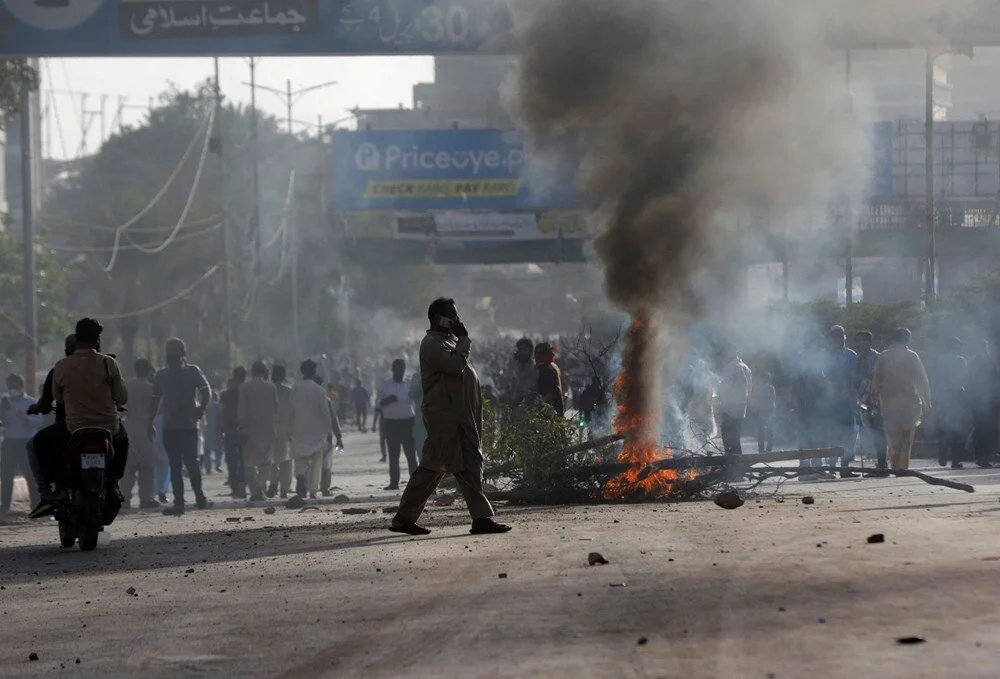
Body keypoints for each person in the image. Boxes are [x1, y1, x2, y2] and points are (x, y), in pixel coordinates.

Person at [390, 298, 511, 536]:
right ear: (439, 319)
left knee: (433, 466)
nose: (457, 320)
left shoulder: (448, 341)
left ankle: (404, 518)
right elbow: (456, 366)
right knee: (467, 463)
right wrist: (464, 340)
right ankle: (481, 518)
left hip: (457, 416)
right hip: (446, 418)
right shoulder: (432, 344)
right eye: (452, 316)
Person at [50, 319, 129, 510]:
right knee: (123, 441)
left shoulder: (62, 366)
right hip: (108, 427)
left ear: (77, 339)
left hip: (74, 428)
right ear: (98, 340)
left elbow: (57, 397)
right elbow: (122, 397)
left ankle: (59, 487)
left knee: (45, 444)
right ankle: (113, 483)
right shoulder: (108, 363)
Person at [151, 338, 212, 516]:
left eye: (175, 350)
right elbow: (154, 401)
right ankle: (179, 502)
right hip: (171, 427)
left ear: (183, 353)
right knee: (176, 466)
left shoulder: (192, 371)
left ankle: (199, 497)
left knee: (191, 464)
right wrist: (150, 422)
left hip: (188, 426)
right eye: (170, 350)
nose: (172, 353)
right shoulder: (161, 375)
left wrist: (201, 407)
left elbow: (206, 390)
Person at [872, 327, 932, 470]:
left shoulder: (883, 356)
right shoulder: (912, 356)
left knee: (892, 436)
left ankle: (895, 466)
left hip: (889, 402)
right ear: (907, 339)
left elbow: (876, 378)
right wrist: (927, 400)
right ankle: (903, 467)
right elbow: (923, 380)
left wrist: (872, 398)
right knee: (907, 435)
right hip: (909, 402)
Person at [290, 360, 334, 499]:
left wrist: (289, 428)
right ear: (314, 372)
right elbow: (325, 412)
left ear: (302, 371)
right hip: (316, 429)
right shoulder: (319, 390)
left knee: (300, 457)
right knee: (316, 461)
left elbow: (290, 410)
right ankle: (313, 491)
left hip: (299, 427)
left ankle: (301, 477)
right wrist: (328, 431)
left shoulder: (295, 388)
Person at [0, 374, 42, 516]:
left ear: (21, 386)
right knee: (7, 474)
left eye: (15, 387)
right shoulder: (4, 403)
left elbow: (38, 422)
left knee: (29, 473)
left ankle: (35, 504)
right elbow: (3, 423)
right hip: (10, 441)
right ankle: (5, 505)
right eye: (10, 387)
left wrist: (26, 419)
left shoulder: (30, 402)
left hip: (25, 441)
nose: (12, 390)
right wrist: (3, 413)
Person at [122, 359, 160, 510]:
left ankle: (124, 499)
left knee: (128, 468)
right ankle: (145, 499)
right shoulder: (152, 389)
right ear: (148, 371)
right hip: (147, 430)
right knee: (147, 467)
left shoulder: (126, 387)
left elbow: (122, 409)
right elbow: (158, 408)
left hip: (129, 429)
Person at [823, 325, 860, 477]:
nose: (838, 338)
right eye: (835, 335)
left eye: (840, 335)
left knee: (849, 435)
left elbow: (857, 376)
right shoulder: (824, 355)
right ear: (830, 338)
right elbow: (821, 376)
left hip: (849, 401)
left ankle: (845, 467)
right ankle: (832, 466)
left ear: (845, 336)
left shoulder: (852, 355)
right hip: (831, 402)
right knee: (832, 435)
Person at [238, 361, 278, 502]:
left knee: (249, 462)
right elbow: (275, 409)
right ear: (265, 373)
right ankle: (260, 489)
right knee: (265, 463)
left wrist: (242, 427)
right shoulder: (271, 387)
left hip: (250, 429)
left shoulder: (245, 387)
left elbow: (241, 411)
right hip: (267, 429)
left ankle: (254, 490)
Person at [377, 358, 417, 491]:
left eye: (403, 368)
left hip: (408, 422)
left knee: (411, 454)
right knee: (393, 455)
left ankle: (415, 482)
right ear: (393, 369)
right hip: (391, 424)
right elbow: (377, 404)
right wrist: (387, 400)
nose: (401, 370)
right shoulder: (386, 385)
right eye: (398, 368)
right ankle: (394, 482)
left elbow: (416, 398)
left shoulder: (410, 383)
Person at [933, 337, 969, 469]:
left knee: (943, 429)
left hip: (942, 398)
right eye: (959, 346)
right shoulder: (960, 360)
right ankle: (955, 461)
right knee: (958, 431)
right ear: (955, 346)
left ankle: (942, 455)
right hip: (956, 398)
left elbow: (934, 379)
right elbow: (964, 379)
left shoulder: (939, 360)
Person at [855, 330, 887, 469]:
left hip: (876, 400)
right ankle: (878, 461)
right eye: (859, 340)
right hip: (863, 400)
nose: (861, 343)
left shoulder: (876, 357)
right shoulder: (858, 358)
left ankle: (882, 462)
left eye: (864, 340)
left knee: (878, 431)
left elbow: (876, 377)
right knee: (870, 431)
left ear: (869, 342)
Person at [967, 339, 999, 469]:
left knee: (979, 429)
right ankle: (984, 457)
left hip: (976, 401)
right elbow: (995, 380)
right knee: (989, 430)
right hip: (989, 401)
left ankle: (979, 456)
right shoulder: (989, 362)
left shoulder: (972, 362)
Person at [266, 365, 295, 499]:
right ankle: (284, 489)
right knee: (286, 461)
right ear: (284, 376)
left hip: (270, 428)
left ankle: (273, 482)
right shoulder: (289, 392)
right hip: (285, 429)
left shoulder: (267, 390)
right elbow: (293, 413)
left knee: (271, 460)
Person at [220, 368, 247, 498]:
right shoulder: (248, 392)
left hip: (230, 430)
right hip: (245, 430)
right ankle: (243, 482)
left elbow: (222, 413)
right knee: (244, 459)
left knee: (231, 460)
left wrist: (219, 430)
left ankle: (235, 487)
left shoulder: (226, 394)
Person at [718, 351, 752, 457]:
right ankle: (738, 465)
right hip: (741, 409)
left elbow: (724, 387)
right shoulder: (747, 368)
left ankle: (731, 465)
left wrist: (720, 393)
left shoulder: (731, 367)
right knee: (736, 438)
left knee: (728, 439)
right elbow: (749, 389)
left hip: (729, 408)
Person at [534, 342, 565, 417]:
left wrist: (540, 403)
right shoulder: (551, 366)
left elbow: (552, 391)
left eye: (540, 353)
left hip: (549, 409)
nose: (537, 356)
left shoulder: (548, 369)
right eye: (536, 353)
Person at [750, 371, 776, 454]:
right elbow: (773, 399)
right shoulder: (771, 388)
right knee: (769, 430)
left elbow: (754, 400)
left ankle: (761, 448)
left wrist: (754, 410)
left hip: (761, 411)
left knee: (761, 430)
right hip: (768, 410)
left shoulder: (757, 388)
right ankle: (769, 447)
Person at [506, 338, 537, 407]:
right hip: (515, 404)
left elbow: (527, 391)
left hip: (528, 406)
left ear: (530, 352)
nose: (522, 352)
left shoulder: (534, 368)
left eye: (524, 350)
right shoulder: (516, 365)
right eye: (520, 350)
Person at [202, 389, 222, 475]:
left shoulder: (204, 406)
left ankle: (208, 467)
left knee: (207, 450)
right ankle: (217, 465)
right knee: (218, 449)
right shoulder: (218, 406)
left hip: (206, 430)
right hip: (217, 430)